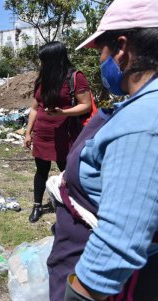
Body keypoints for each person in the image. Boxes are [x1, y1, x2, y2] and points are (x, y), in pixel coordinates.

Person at [45, 0, 158, 300]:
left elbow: (119, 241)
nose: (100, 62)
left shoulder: (144, 121)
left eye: (100, 52)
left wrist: (79, 294)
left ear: (122, 49)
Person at [24, 42, 92, 223]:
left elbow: (86, 105)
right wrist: (28, 132)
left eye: (44, 60)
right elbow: (34, 108)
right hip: (43, 134)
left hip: (65, 134)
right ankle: (37, 205)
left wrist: (64, 113)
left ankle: (73, 207)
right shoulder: (42, 79)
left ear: (55, 59)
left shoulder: (75, 77)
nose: (41, 64)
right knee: (41, 171)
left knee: (67, 172)